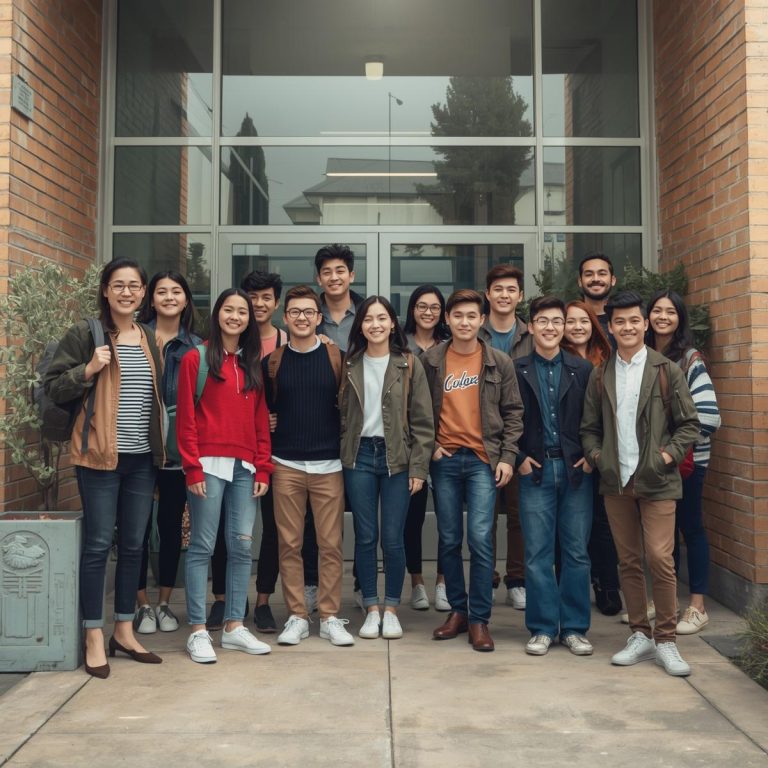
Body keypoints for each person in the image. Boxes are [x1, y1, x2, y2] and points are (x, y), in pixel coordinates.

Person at [45, 258, 164, 678]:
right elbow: (53, 386)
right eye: (119, 285)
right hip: (99, 457)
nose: (127, 292)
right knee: (98, 545)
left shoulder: (148, 337)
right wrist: (88, 369)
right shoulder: (86, 333)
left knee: (133, 545)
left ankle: (124, 631)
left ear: (143, 292)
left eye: (134, 285)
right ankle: (93, 634)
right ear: (105, 290)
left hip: (141, 460)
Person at [581, 291, 699, 677]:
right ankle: (639, 634)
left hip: (658, 479)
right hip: (616, 480)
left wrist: (665, 457)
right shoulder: (601, 374)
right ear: (610, 327)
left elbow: (689, 425)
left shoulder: (666, 370)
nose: (628, 327)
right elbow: (589, 428)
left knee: (660, 558)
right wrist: (598, 457)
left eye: (634, 320)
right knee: (628, 560)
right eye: (620, 322)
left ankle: (666, 640)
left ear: (645, 324)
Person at [423, 289, 523, 652]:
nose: (464, 322)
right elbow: (416, 411)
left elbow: (514, 413)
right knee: (449, 538)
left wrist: (508, 457)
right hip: (445, 460)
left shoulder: (499, 362)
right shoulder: (430, 361)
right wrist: (430, 446)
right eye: (458, 315)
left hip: (484, 460)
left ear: (482, 320)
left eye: (471, 316)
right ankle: (458, 612)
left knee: (481, 538)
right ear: (447, 319)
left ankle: (480, 619)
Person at [177, 288, 273, 664]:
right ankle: (198, 630)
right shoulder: (196, 358)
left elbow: (260, 419)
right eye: (229, 310)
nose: (235, 316)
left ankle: (234, 626)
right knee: (202, 547)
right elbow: (186, 418)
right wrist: (192, 467)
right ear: (217, 314)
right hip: (208, 464)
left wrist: (263, 465)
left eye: (242, 312)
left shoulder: (252, 363)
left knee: (242, 548)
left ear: (250, 319)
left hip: (245, 468)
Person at [265, 285, 354, 647]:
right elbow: (264, 409)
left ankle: (330, 616)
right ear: (285, 318)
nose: (302, 318)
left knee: (330, 545)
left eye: (308, 312)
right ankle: (298, 616)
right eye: (295, 312)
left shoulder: (338, 358)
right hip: (285, 464)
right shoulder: (272, 362)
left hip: (328, 464)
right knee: (289, 544)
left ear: (319, 318)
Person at [340, 296, 435, 640]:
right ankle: (371, 607)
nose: (375, 325)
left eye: (382, 318)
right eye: (368, 319)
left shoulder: (409, 364)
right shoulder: (349, 364)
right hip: (359, 457)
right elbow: (340, 413)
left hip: (398, 458)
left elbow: (423, 422)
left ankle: (391, 608)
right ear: (360, 325)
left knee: (393, 538)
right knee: (366, 536)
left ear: (393, 323)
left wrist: (419, 468)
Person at [207, 270, 288, 634]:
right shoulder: (226, 344)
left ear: (276, 302)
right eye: (251, 297)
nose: (258, 304)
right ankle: (223, 599)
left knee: (271, 527)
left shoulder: (285, 340)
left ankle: (263, 601)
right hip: (234, 446)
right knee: (226, 526)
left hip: (274, 447)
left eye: (266, 297)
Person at [515, 297, 594, 656]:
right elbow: (501, 418)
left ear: (564, 327)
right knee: (537, 553)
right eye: (543, 321)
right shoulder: (516, 369)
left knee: (576, 552)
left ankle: (574, 628)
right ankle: (543, 627)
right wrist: (518, 458)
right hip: (535, 470)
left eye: (557, 322)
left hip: (576, 470)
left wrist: (592, 456)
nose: (550, 328)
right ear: (531, 326)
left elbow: (596, 418)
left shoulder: (583, 369)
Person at [646, 289, 721, 635]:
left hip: (687, 462)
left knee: (690, 528)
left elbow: (709, 416)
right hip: (655, 463)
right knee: (664, 536)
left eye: (670, 312)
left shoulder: (690, 359)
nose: (663, 317)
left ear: (680, 319)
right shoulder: (643, 355)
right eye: (657, 311)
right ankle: (666, 602)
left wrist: (671, 447)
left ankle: (697, 607)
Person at [134, 271, 201, 635]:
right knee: (137, 528)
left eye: (177, 291)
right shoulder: (134, 336)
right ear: (152, 298)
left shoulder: (196, 347)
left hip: (176, 452)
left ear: (186, 299)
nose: (170, 297)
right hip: (138, 448)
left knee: (172, 526)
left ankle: (163, 602)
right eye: (162, 291)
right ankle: (141, 604)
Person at [562, 300, 622, 616]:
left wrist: (596, 454)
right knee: (570, 529)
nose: (577, 327)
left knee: (602, 524)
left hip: (602, 453)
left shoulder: (609, 359)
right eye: (570, 321)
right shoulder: (556, 358)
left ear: (593, 325)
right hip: (569, 455)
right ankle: (571, 590)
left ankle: (606, 585)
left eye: (583, 321)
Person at [478, 264, 532, 610]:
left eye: (511, 289)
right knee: (483, 518)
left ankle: (516, 580)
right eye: (498, 289)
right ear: (488, 294)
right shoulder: (474, 331)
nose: (504, 295)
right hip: (481, 439)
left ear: (520, 296)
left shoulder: (531, 334)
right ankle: (486, 578)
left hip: (519, 439)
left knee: (518, 516)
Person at [402, 284, 450, 611]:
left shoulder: (450, 345)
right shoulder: (399, 344)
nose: (428, 312)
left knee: (448, 518)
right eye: (422, 306)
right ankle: (417, 582)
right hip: (411, 444)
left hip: (447, 444)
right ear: (412, 310)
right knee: (412, 517)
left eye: (434, 307)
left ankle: (443, 583)